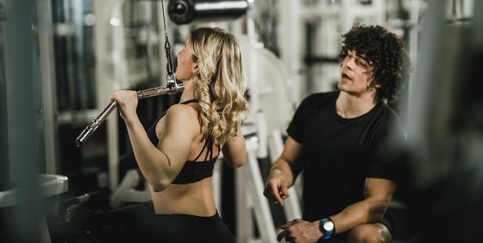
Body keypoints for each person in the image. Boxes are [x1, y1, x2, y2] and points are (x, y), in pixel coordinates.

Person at [264, 23, 411, 243]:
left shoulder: (386, 127)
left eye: (360, 63)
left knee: (369, 236)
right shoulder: (312, 107)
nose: (348, 65)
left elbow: (375, 205)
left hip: (356, 226)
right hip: (312, 225)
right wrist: (278, 175)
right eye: (348, 56)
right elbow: (288, 160)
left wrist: (321, 227)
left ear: (380, 80)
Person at [105, 27, 248, 243]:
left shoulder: (181, 114)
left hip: (185, 232)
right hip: (210, 228)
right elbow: (238, 158)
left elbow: (160, 178)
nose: (178, 53)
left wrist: (130, 118)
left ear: (197, 65)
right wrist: (226, 105)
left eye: (185, 48)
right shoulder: (213, 113)